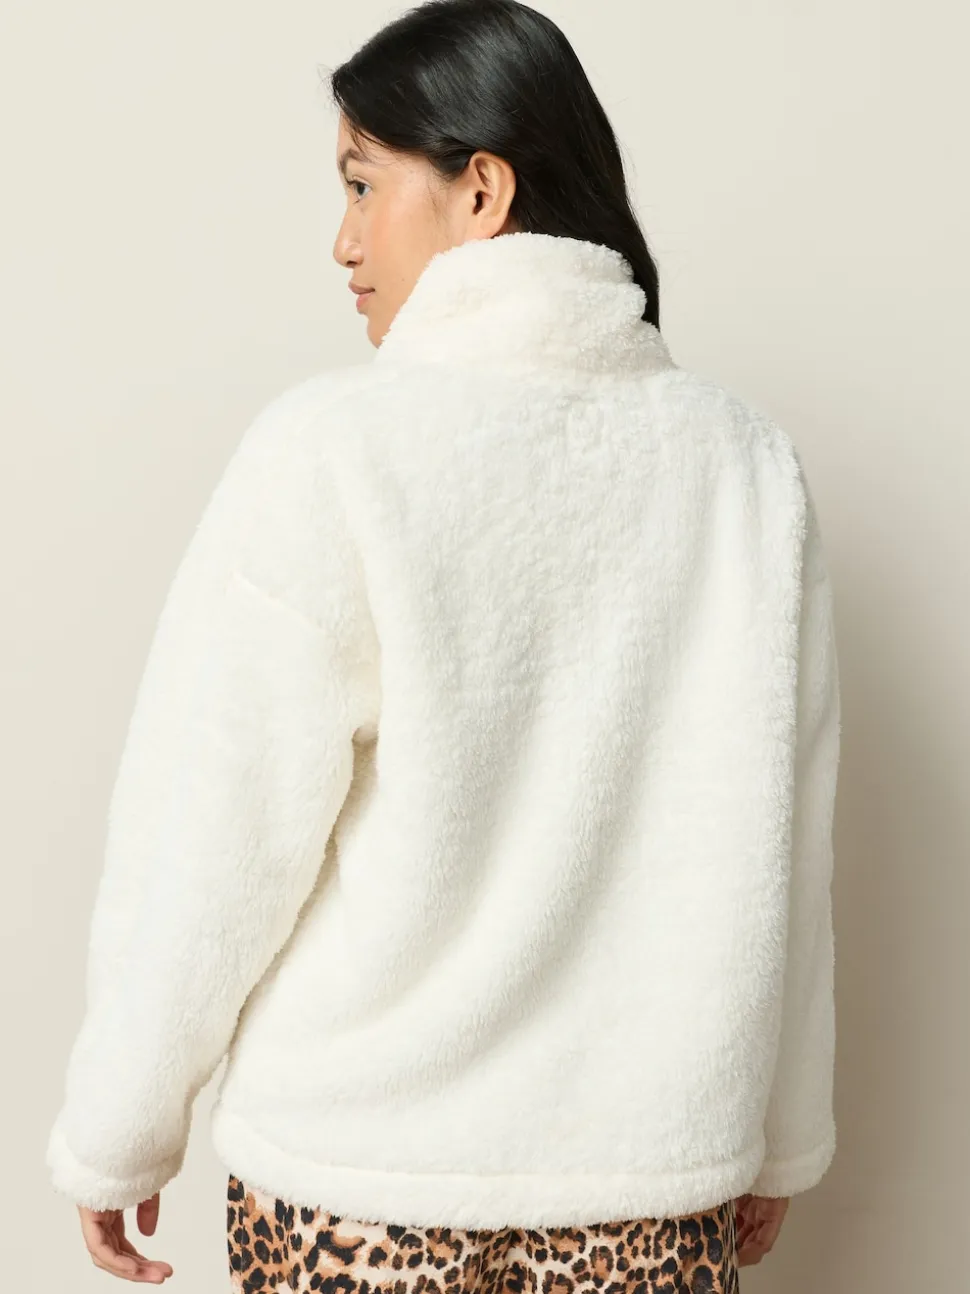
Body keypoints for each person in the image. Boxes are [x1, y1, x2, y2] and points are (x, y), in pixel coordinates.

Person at [47, 1, 842, 1288]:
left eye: (363, 185)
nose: (343, 240)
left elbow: (211, 829)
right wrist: (780, 1136)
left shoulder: (331, 452)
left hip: (356, 1187)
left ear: (481, 189)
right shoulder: (745, 469)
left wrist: (120, 1126)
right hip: (645, 1189)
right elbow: (784, 848)